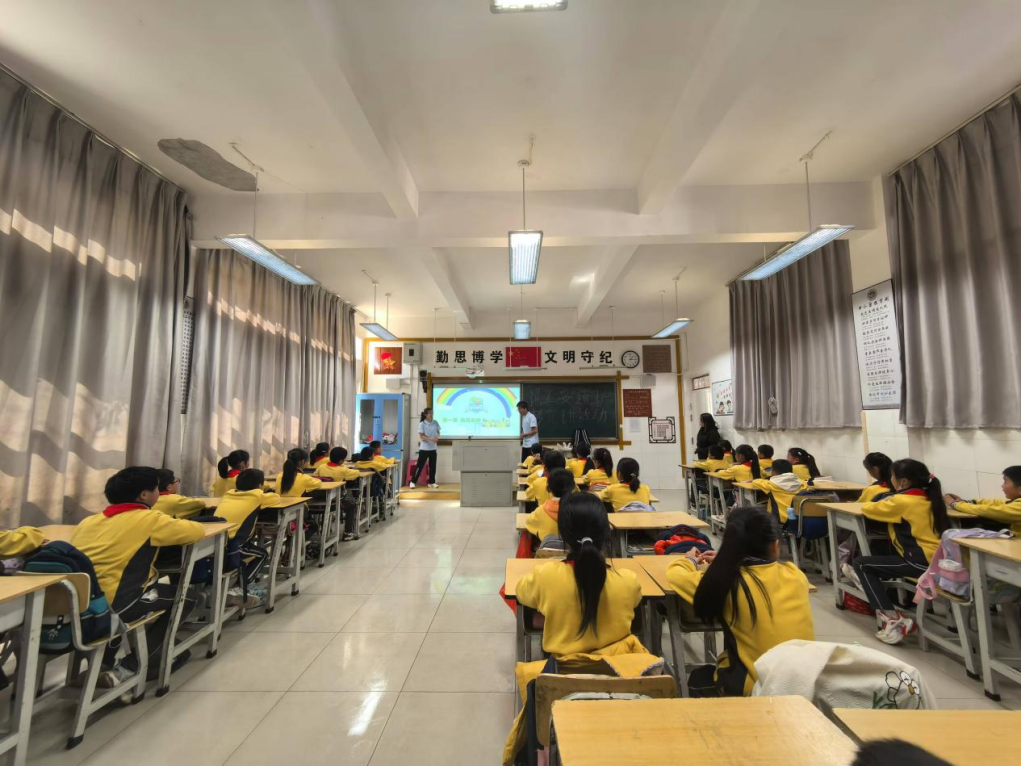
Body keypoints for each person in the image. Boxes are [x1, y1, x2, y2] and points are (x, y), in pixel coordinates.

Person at [70, 466, 206, 681]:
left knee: (127, 592)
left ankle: (104, 664)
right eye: (156, 490)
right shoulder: (150, 519)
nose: (158, 494)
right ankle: (136, 664)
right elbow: (195, 531)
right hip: (115, 604)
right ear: (144, 495)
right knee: (189, 598)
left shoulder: (88, 521)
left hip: (78, 605)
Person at [667, 506, 814, 696]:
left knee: (699, 679)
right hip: (805, 685)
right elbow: (762, 569)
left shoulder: (728, 583)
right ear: (775, 546)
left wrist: (690, 560)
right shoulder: (796, 575)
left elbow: (675, 575)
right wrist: (728, 560)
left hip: (759, 688)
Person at [517, 492, 642, 656]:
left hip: (563, 670)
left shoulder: (544, 576)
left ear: (562, 534)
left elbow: (521, 593)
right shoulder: (628, 581)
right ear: (607, 532)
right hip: (617, 668)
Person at [852, 459, 949, 645]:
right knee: (878, 561)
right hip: (940, 561)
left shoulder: (902, 501)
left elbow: (868, 508)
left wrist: (887, 499)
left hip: (920, 563)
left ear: (903, 482)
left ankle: (891, 617)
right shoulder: (930, 498)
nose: (891, 480)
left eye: (893, 477)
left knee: (862, 564)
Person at [214, 469, 280, 606]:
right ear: (260, 485)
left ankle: (232, 585)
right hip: (233, 546)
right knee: (263, 555)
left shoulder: (228, 494)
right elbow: (276, 498)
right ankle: (240, 587)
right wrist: (263, 491)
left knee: (251, 550)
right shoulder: (257, 496)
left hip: (214, 544)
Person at [945, 465, 1021, 534]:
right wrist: (967, 502)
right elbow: (997, 503)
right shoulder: (1016, 502)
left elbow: (987, 510)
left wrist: (955, 504)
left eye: (1005, 482)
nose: (1002, 485)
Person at [315, 447, 363, 541]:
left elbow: (315, 476)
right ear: (341, 460)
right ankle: (348, 532)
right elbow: (356, 473)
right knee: (352, 505)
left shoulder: (321, 467)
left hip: (319, 499)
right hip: (335, 500)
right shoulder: (342, 470)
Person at [523, 468, 576, 544]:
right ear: (573, 487)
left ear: (549, 488)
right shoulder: (580, 509)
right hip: (574, 550)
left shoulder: (541, 511)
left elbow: (528, 523)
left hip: (549, 549)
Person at [751, 459, 805, 525]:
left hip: (779, 519)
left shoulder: (770, 485)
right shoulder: (801, 484)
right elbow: (804, 482)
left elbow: (755, 481)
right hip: (798, 517)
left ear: (773, 472)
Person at [410, 407, 440, 488]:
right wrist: (431, 439)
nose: (431, 414)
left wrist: (437, 437)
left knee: (433, 466)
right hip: (424, 449)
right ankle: (413, 481)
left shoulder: (435, 422)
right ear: (425, 414)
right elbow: (421, 436)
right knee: (419, 466)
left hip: (433, 448)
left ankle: (432, 482)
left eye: (432, 413)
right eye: (430, 413)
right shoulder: (422, 424)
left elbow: (438, 432)